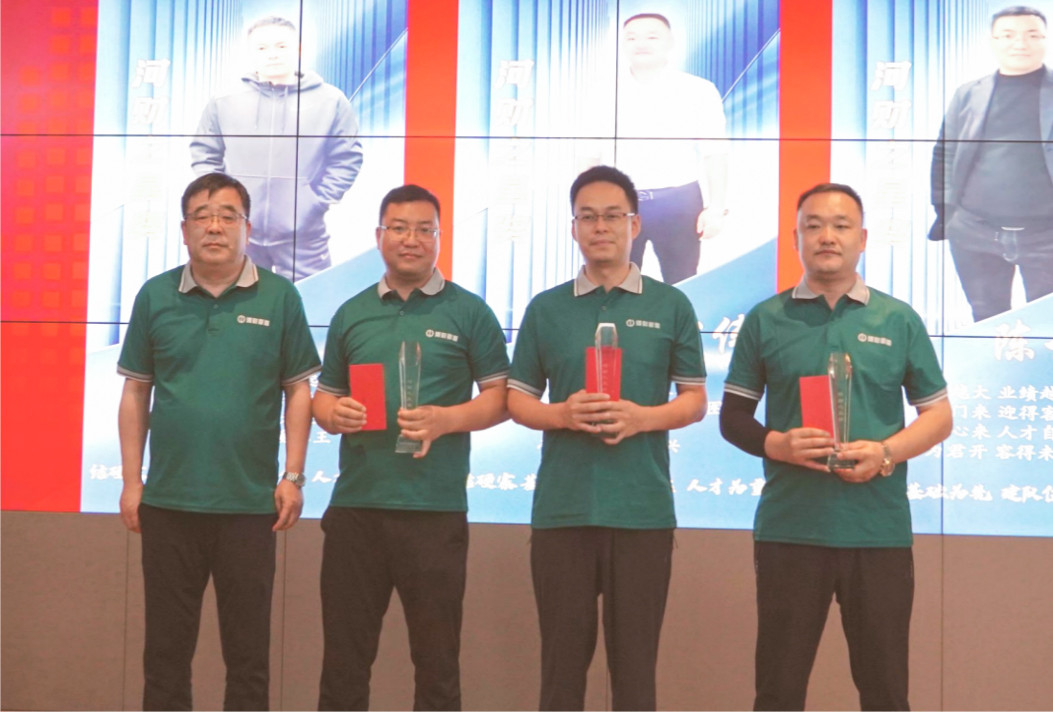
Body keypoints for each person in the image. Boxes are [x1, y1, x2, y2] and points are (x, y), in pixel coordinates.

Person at [720, 183, 953, 711]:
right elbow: (733, 418)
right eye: (814, 225)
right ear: (796, 238)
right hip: (791, 528)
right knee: (778, 692)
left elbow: (939, 416)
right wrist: (777, 444)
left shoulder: (897, 319)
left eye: (841, 226)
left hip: (877, 530)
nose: (827, 236)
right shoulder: (766, 318)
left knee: (886, 692)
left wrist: (885, 453)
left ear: (862, 238)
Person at [117, 172, 321, 710]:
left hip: (249, 506)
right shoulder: (155, 295)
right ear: (184, 229)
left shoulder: (280, 297)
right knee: (165, 655)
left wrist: (293, 476)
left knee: (248, 658)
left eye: (228, 216)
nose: (214, 226)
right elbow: (135, 392)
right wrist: (132, 481)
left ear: (247, 228)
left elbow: (298, 391)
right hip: (169, 504)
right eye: (202, 216)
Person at [507, 165, 707, 711]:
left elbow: (694, 400)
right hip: (563, 512)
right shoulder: (546, 308)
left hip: (641, 513)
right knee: (561, 674)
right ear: (573, 228)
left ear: (635, 225)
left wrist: (643, 418)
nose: (601, 227)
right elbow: (517, 401)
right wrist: (562, 414)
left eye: (613, 216)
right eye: (588, 217)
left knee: (635, 676)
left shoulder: (671, 305)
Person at [312, 184, 510, 710]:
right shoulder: (352, 312)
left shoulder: (469, 312)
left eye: (425, 229)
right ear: (379, 235)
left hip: (434, 511)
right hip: (357, 509)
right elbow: (323, 397)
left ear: (439, 237)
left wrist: (447, 420)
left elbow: (500, 400)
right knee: (344, 666)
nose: (411, 239)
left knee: (438, 665)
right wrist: (334, 414)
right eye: (399, 228)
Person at [191, 15, 364, 282]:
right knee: (238, 301)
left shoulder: (331, 100)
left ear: (298, 49)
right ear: (250, 52)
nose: (272, 54)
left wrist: (315, 202)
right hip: (238, 231)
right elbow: (204, 154)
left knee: (309, 301)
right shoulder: (224, 100)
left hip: (304, 235)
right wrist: (223, 205)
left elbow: (347, 158)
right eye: (262, 48)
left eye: (281, 46)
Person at [930, 5, 1053, 321]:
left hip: (1047, 236)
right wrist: (948, 212)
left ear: (1045, 39)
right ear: (992, 41)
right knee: (986, 321)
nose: (1020, 43)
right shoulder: (968, 94)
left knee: (1047, 326)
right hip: (976, 234)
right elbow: (944, 152)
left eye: (1032, 35)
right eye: (1008, 35)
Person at [616, 12, 730, 285]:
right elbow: (588, 154)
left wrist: (716, 208)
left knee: (682, 283)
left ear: (670, 42)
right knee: (614, 284)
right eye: (632, 38)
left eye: (651, 37)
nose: (641, 43)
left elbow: (714, 151)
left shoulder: (698, 89)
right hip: (619, 202)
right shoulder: (604, 89)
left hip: (679, 201)